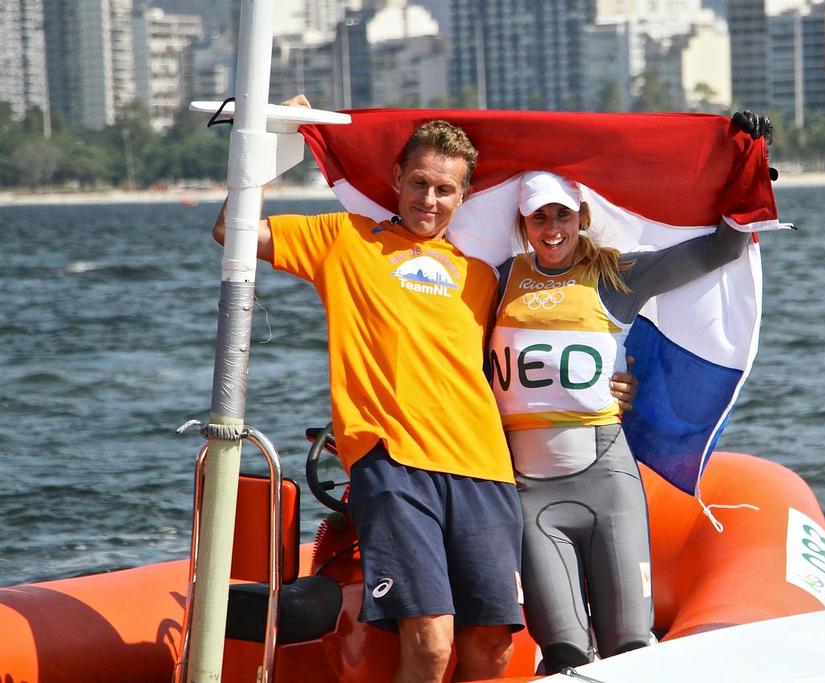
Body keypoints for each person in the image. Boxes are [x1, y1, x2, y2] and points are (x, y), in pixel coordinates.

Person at [212, 106, 637, 683]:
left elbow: (541, 345)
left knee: (491, 646)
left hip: (485, 469)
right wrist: (272, 151)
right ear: (397, 180)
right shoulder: (343, 239)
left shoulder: (482, 275)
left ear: (463, 198)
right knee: (432, 644)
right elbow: (231, 231)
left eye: (444, 189)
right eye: (419, 183)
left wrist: (612, 380)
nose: (429, 199)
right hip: (395, 467)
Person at [488, 169, 754, 673]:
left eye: (562, 215)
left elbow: (719, 250)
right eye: (538, 217)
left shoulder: (619, 274)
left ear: (581, 216)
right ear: (523, 223)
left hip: (607, 486)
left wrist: (744, 172)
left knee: (629, 644)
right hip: (531, 497)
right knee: (563, 651)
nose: (551, 229)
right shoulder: (499, 279)